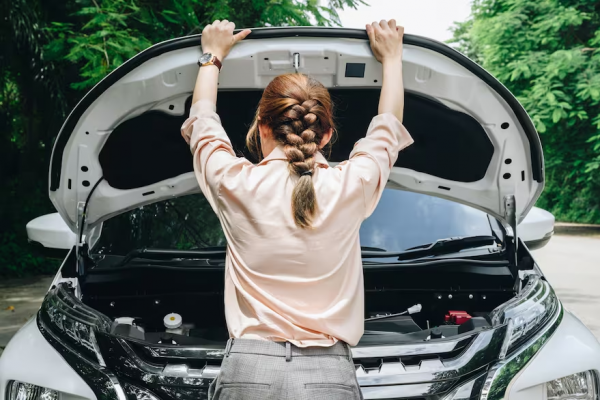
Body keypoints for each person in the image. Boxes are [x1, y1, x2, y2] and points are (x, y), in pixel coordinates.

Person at [180, 18, 413, 400]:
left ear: (262, 126)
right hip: (328, 376)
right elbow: (387, 127)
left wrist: (212, 57)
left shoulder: (233, 181)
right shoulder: (350, 184)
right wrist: (392, 59)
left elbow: (203, 120)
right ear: (326, 134)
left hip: (248, 372)